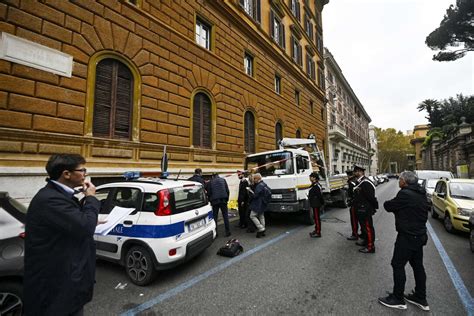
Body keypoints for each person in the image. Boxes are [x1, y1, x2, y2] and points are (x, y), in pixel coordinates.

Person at [24, 154, 100, 315]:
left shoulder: (57, 194)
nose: (85, 174)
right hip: (57, 286)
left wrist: (88, 217)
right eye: (82, 170)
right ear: (66, 174)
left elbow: (73, 222)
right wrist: (91, 198)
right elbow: (85, 227)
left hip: (66, 280)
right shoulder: (50, 199)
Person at [378, 171, 430, 311]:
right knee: (418, 266)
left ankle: (398, 298)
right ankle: (421, 297)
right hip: (419, 235)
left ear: (405, 182)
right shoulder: (421, 192)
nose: (399, 181)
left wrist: (397, 209)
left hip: (407, 237)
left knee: (397, 264)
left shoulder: (405, 194)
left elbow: (389, 206)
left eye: (400, 179)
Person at [352, 165, 378, 253]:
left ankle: (371, 246)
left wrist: (373, 208)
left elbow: (371, 197)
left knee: (368, 228)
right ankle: (366, 241)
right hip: (360, 209)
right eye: (355, 171)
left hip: (365, 209)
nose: (356, 173)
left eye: (358, 171)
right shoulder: (359, 182)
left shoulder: (366, 182)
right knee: (363, 227)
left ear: (362, 172)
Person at [208, 173, 231, 237]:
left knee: (215, 217)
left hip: (215, 201)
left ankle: (216, 232)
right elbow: (227, 190)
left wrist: (210, 200)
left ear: (213, 176)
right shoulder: (223, 180)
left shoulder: (210, 182)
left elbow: (209, 192)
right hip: (223, 200)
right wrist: (227, 199)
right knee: (225, 216)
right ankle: (228, 232)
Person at [248, 173, 270, 238]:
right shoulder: (264, 184)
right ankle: (263, 229)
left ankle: (261, 228)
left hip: (258, 203)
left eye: (254, 178)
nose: (254, 180)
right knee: (261, 216)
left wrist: (251, 192)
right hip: (263, 203)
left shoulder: (259, 186)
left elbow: (255, 196)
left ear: (257, 179)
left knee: (252, 216)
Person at [308, 172, 324, 238]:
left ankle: (318, 232)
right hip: (314, 204)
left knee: (317, 218)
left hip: (316, 204)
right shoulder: (314, 185)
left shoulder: (316, 185)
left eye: (311, 177)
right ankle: (316, 229)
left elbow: (320, 196)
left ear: (314, 178)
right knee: (315, 218)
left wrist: (322, 204)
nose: (310, 178)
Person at [346, 170, 360, 240]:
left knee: (354, 220)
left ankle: (355, 234)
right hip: (356, 203)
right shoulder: (355, 181)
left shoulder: (352, 183)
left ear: (349, 175)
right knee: (356, 220)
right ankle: (356, 233)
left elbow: (353, 194)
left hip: (354, 204)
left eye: (347, 175)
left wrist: (350, 201)